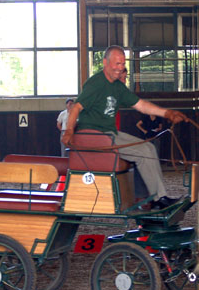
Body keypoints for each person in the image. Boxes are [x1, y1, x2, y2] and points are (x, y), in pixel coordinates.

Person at [62, 45, 188, 210]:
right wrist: (69, 131)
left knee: (149, 148)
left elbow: (141, 105)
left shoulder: (118, 87)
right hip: (95, 135)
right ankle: (159, 199)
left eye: (122, 64)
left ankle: (158, 198)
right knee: (144, 152)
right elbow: (76, 107)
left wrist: (167, 113)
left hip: (109, 134)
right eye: (117, 64)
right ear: (105, 63)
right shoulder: (95, 83)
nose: (120, 68)